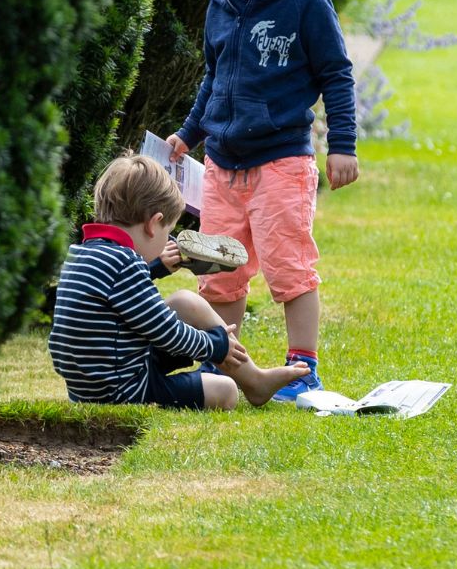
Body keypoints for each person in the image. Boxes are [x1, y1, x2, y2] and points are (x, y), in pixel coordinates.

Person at [166, 0, 358, 404]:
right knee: (218, 273)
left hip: (281, 163)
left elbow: (337, 75)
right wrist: (189, 133)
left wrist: (343, 144)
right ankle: (226, 365)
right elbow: (214, 76)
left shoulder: (305, 1)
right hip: (223, 166)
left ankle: (303, 371)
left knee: (289, 270)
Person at [48, 155, 309, 410]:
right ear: (154, 224)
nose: (167, 239)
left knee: (185, 301)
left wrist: (155, 268)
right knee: (225, 390)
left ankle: (254, 380)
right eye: (167, 231)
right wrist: (215, 345)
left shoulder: (83, 252)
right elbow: (166, 331)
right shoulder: (126, 262)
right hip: (125, 390)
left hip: (91, 384)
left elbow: (115, 297)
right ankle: (252, 381)